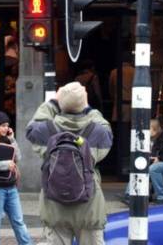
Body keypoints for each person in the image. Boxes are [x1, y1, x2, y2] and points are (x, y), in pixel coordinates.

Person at [26, 81, 113, 245]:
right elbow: (106, 129)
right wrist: (86, 106)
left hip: (54, 207)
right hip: (89, 207)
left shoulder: (46, 130)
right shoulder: (97, 131)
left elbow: (32, 128)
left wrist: (53, 102)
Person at [0, 111, 31, 245]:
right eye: (3, 126)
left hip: (11, 188)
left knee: (19, 222)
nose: (6, 128)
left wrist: (12, 139)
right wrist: (5, 165)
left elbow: (18, 157)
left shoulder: (8, 140)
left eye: (7, 125)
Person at [108, 51, 135, 123]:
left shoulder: (114, 72)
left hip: (118, 105)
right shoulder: (135, 71)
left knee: (119, 127)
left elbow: (111, 90)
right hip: (132, 105)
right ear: (131, 60)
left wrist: (114, 98)